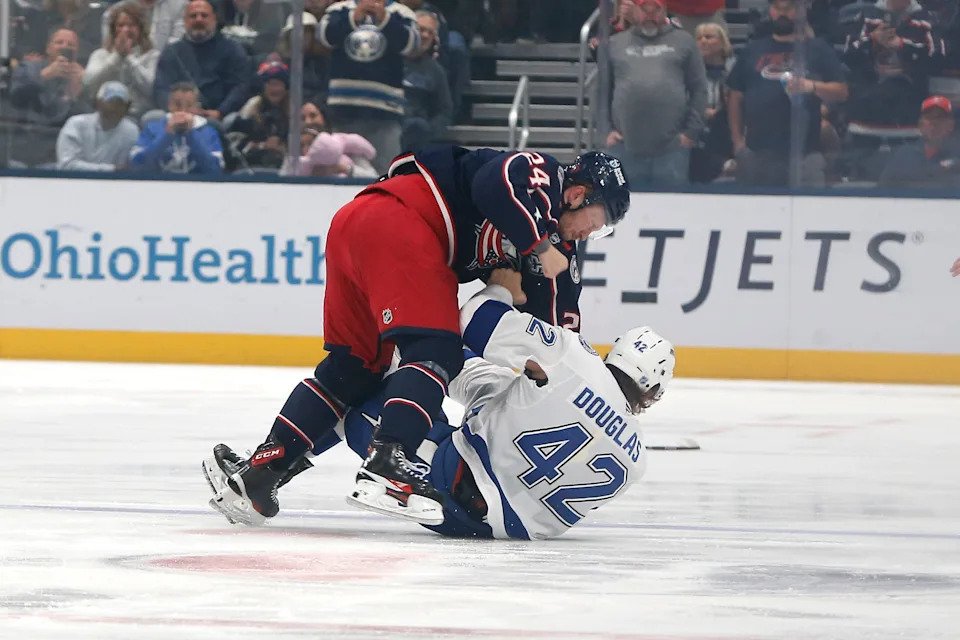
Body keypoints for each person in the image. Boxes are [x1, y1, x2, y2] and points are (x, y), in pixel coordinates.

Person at [197, 146, 632, 527]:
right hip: (402, 220)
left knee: (356, 368)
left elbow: (559, 334)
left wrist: (587, 389)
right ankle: (389, 463)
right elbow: (496, 182)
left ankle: (262, 472)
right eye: (598, 222)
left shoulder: (560, 251)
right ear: (578, 194)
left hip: (357, 226)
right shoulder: (544, 177)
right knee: (436, 350)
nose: (591, 234)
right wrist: (538, 247)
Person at [204, 267, 675, 538]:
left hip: (445, 488)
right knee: (426, 386)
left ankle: (266, 473)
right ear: (652, 394)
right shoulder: (638, 462)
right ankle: (266, 473)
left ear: (616, 353)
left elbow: (477, 318)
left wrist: (502, 285)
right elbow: (494, 401)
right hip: (497, 530)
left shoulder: (575, 359)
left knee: (363, 380)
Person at [726, 0, 848, 187]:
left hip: (805, 152)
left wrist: (812, 86)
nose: (782, 13)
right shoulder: (752, 50)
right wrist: (737, 141)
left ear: (801, 12)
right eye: (777, 8)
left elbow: (842, 92)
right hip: (757, 152)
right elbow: (735, 96)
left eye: (788, 8)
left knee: (809, 203)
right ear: (770, 11)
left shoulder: (819, 48)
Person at [605, 0, 707, 189]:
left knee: (673, 206)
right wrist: (606, 130)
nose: (650, 14)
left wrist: (690, 133)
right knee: (620, 205)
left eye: (656, 9)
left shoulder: (685, 41)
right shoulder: (615, 43)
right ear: (635, 10)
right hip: (623, 147)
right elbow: (602, 90)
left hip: (672, 149)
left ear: (665, 10)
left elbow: (699, 89)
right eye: (645, 9)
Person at [318, 0, 419, 172]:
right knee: (344, 169)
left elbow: (412, 45)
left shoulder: (402, 13)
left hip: (385, 112)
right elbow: (324, 37)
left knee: (386, 173)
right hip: (343, 109)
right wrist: (353, 17)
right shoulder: (339, 9)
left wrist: (385, 19)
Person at [152, 0, 252, 122]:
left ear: (214, 19)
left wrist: (221, 112)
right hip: (176, 114)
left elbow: (240, 86)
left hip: (216, 116)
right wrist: (175, 110)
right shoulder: (171, 52)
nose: (198, 19)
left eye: (204, 15)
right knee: (152, 117)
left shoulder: (232, 49)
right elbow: (161, 88)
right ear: (185, 21)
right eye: (193, 16)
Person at [84, 0, 160, 119]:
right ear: (113, 29)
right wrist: (117, 57)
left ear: (140, 29)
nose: (125, 30)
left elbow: (152, 89)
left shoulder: (153, 56)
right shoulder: (100, 55)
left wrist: (129, 58)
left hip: (139, 116)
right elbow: (89, 87)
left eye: (131, 25)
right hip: (104, 115)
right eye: (121, 25)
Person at [130, 81, 224, 173]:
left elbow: (215, 170)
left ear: (197, 107)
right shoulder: (152, 128)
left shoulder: (209, 132)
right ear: (169, 105)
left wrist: (191, 135)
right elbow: (138, 165)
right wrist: (167, 135)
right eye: (177, 105)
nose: (183, 111)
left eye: (189, 106)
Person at [878, 95, 960, 187]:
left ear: (950, 125)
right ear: (920, 125)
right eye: (929, 118)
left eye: (940, 118)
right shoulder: (903, 156)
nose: (934, 123)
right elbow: (883, 188)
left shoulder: (957, 156)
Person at [56, 81, 140, 171]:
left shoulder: (131, 131)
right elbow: (67, 165)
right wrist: (111, 169)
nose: (115, 108)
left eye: (120, 104)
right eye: (110, 102)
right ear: (98, 103)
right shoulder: (76, 124)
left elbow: (127, 168)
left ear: (127, 107)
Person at [401, 10, 453, 152]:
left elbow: (445, 110)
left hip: (416, 132)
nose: (425, 35)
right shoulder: (388, 60)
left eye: (430, 32)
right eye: (421, 29)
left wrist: (430, 130)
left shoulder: (436, 71)